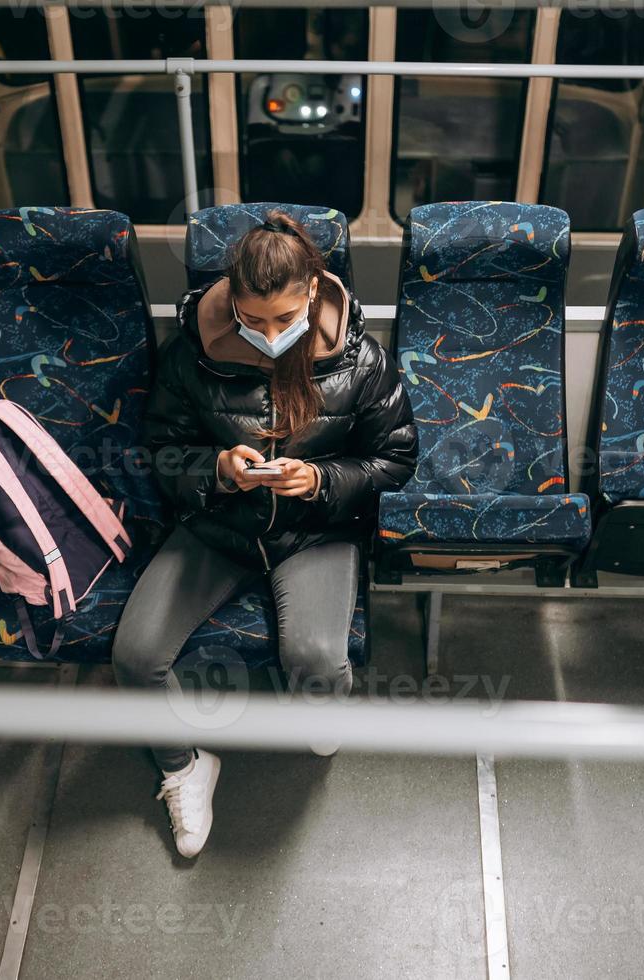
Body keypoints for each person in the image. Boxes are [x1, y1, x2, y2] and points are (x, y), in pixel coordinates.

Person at [111, 211, 417, 858]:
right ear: (232, 302)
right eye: (254, 321)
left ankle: (321, 710)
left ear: (312, 292)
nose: (270, 336)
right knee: (134, 658)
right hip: (220, 526)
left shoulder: (360, 359)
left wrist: (321, 480)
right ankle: (185, 767)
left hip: (314, 530)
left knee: (312, 658)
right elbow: (161, 451)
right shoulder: (193, 354)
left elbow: (396, 459)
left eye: (284, 320)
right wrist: (217, 470)